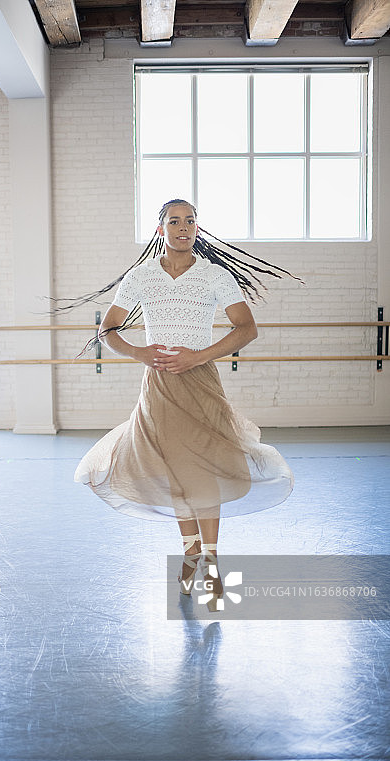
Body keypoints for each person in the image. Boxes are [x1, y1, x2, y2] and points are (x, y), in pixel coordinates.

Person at [73, 199, 300, 602]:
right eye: (174, 221)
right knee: (173, 469)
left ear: (197, 228)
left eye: (190, 221)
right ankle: (190, 554)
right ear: (160, 229)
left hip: (201, 382)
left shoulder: (215, 276)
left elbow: (247, 329)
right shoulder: (141, 277)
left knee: (205, 469)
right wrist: (140, 352)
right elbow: (107, 329)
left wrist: (199, 355)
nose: (183, 227)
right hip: (158, 385)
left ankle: (211, 563)